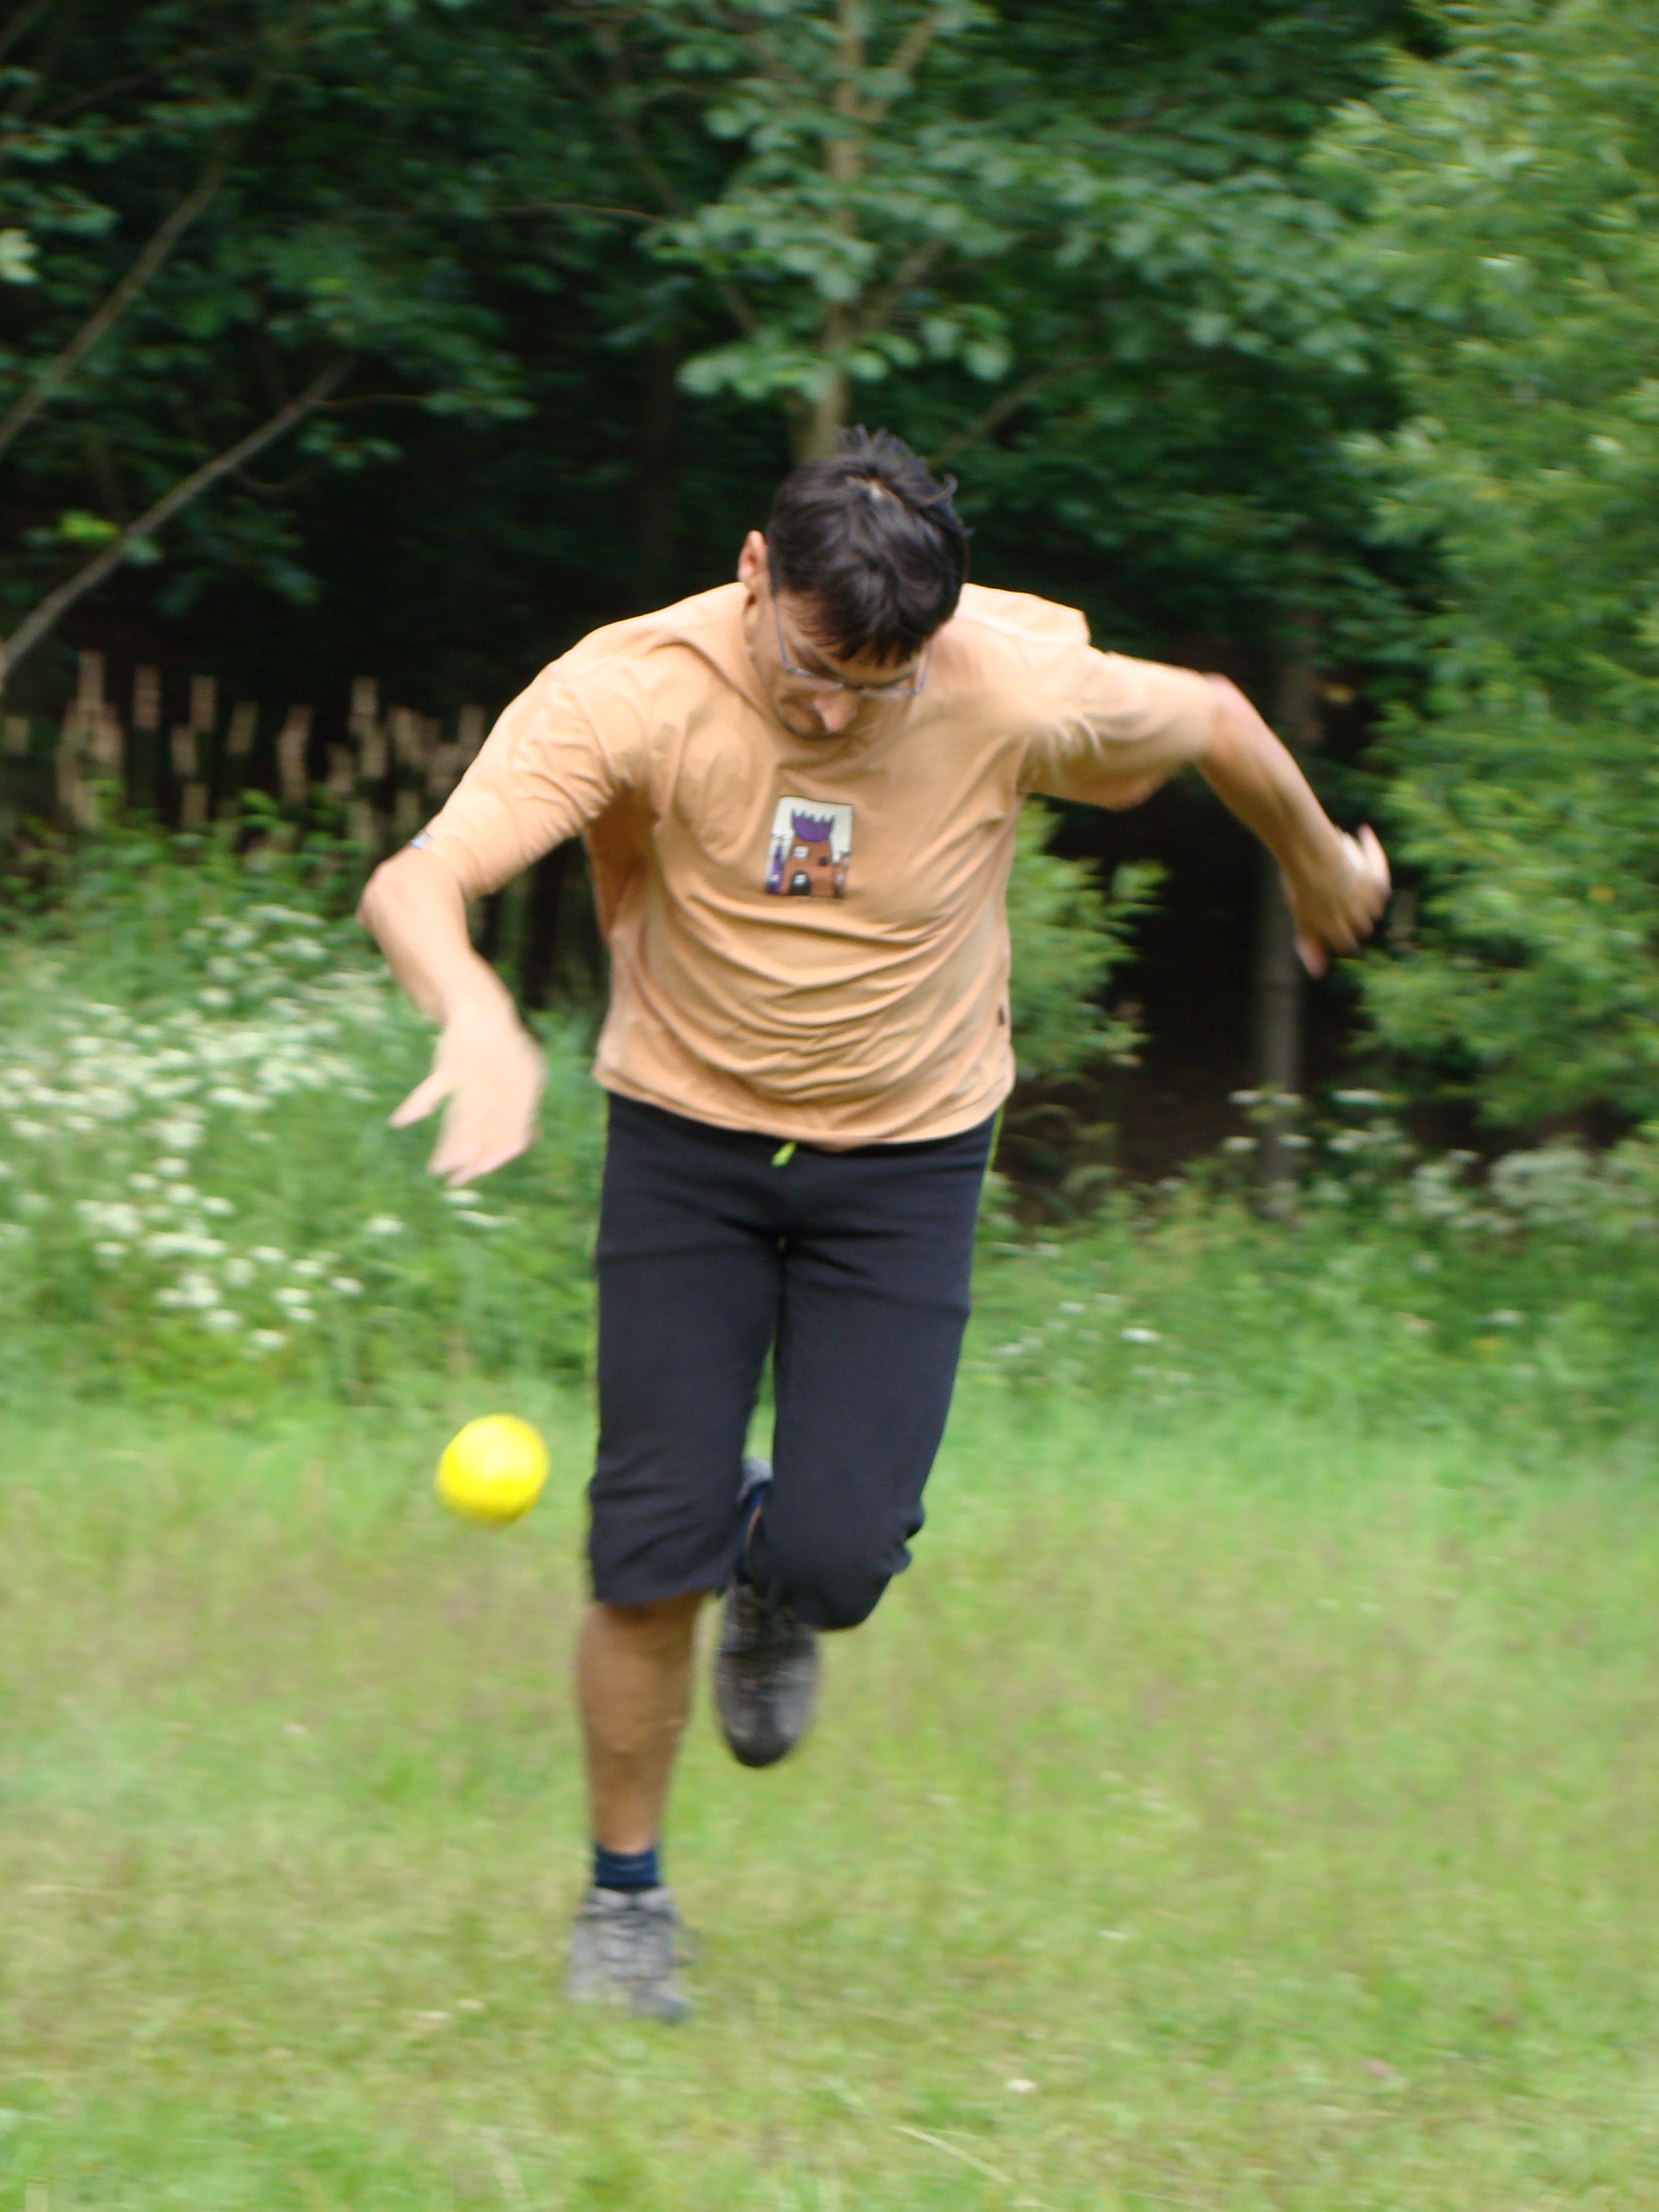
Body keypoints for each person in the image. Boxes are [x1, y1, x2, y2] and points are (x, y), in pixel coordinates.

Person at [356, 428, 1389, 2022]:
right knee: (645, 1554)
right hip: (686, 1143)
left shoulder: (1004, 684)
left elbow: (1214, 719)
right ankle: (626, 1902)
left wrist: (1318, 864)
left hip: (906, 1161)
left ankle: (777, 1580)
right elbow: (416, 884)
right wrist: (478, 1014)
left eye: (877, 685)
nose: (835, 712)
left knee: (842, 1556)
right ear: (753, 572)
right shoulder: (635, 689)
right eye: (813, 665)